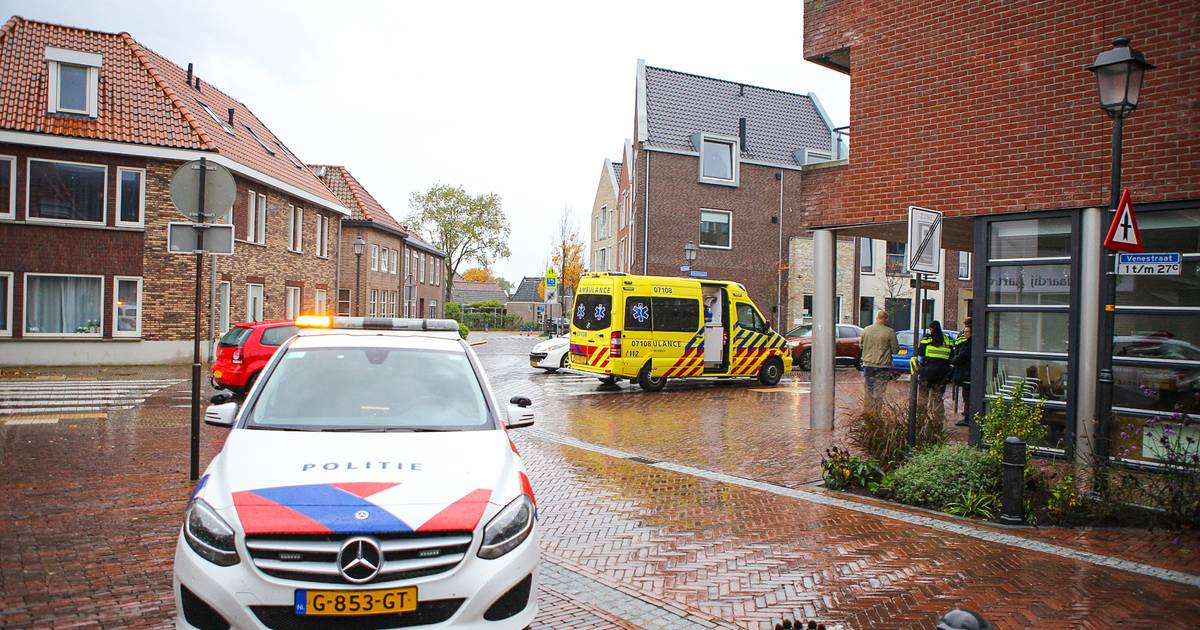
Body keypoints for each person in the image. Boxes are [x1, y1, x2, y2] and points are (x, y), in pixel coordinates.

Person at [915, 320, 953, 424]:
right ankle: (938, 420)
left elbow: (920, 352)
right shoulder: (947, 339)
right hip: (942, 372)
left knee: (923, 396)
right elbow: (952, 355)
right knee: (937, 397)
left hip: (927, 371)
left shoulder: (927, 339)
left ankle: (921, 419)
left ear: (931, 328)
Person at [860, 311, 900, 400]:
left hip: (868, 364)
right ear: (886, 319)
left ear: (877, 318)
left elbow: (861, 345)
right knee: (879, 391)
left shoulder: (866, 330)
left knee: (868, 389)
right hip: (883, 365)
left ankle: (868, 411)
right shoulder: (890, 332)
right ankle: (877, 411)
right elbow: (896, 350)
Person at [950, 317, 972, 427]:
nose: (965, 333)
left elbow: (961, 356)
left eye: (967, 331)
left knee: (967, 396)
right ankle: (967, 414)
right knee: (966, 395)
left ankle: (968, 417)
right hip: (966, 372)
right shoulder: (966, 341)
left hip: (966, 373)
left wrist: (953, 361)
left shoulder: (968, 344)